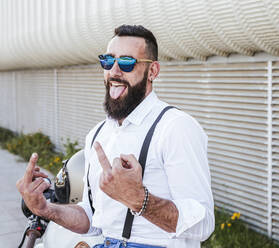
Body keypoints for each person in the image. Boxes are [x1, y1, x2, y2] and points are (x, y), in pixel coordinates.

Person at [16, 24, 214, 248]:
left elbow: (203, 224)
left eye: (127, 62)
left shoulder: (176, 127)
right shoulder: (98, 134)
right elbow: (92, 220)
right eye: (108, 61)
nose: (115, 71)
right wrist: (46, 209)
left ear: (153, 71)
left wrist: (139, 200)